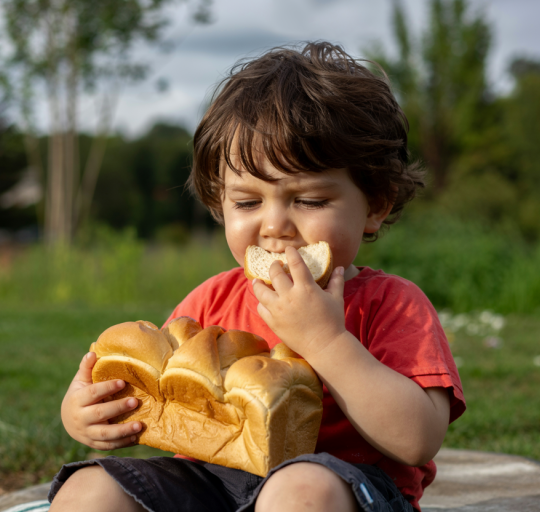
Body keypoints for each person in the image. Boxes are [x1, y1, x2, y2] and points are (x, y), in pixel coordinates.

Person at [50, 41, 465, 512]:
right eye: (247, 202)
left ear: (375, 205)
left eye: (309, 200)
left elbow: (416, 440)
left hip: (344, 486)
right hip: (214, 477)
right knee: (88, 490)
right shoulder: (212, 300)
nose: (274, 226)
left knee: (299, 490)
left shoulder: (392, 304)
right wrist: (84, 411)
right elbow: (161, 391)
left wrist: (326, 341)